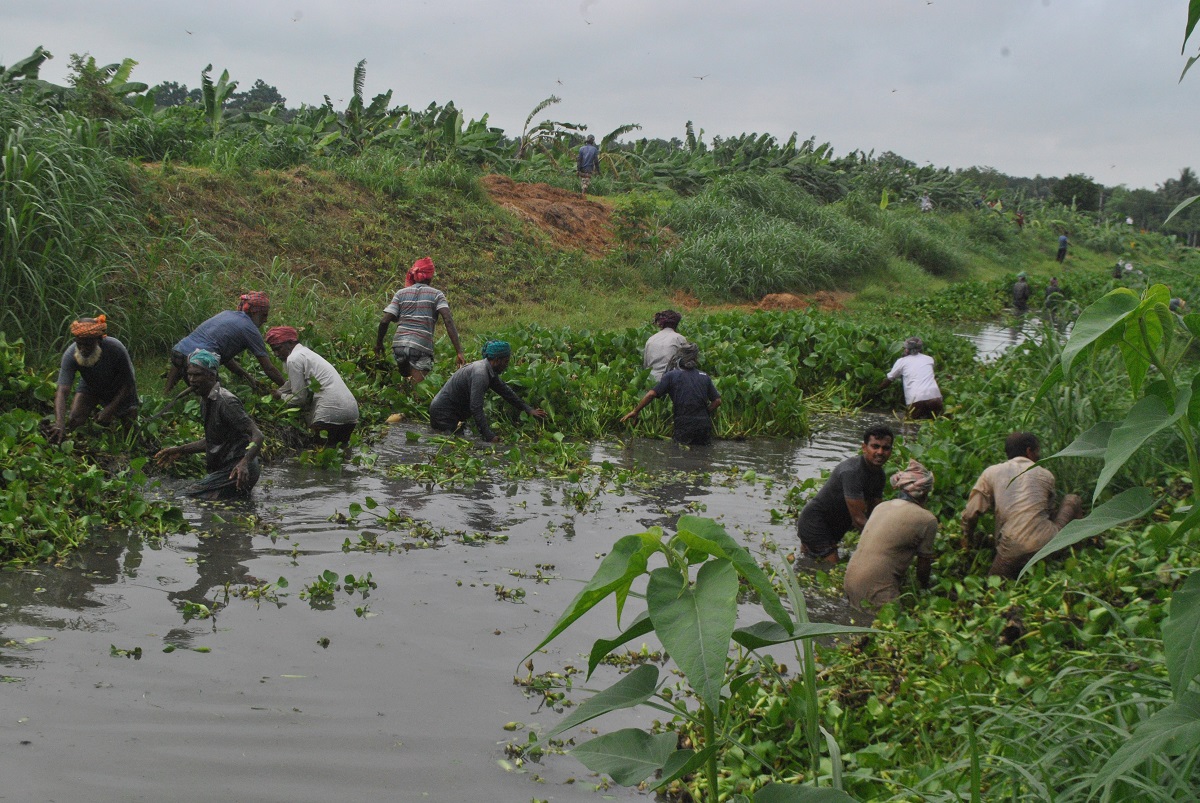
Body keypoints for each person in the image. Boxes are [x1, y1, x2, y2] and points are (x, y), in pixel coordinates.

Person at [961, 432, 1083, 580]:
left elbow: (970, 514)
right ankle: (1079, 555)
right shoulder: (1045, 474)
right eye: (1037, 451)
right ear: (1029, 451)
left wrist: (968, 542)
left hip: (1011, 549)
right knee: (1072, 499)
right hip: (1048, 545)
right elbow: (1048, 513)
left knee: (995, 583)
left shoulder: (991, 473)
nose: (1039, 456)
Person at [155, 349, 264, 500]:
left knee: (184, 496)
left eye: (197, 375)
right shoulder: (206, 400)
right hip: (230, 469)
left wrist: (244, 463)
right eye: (189, 374)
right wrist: (180, 450)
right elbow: (213, 441)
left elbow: (257, 435)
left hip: (238, 469)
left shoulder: (226, 402)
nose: (192, 380)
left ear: (211, 375)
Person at [843, 459, 938, 610]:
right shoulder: (927, 520)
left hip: (849, 581)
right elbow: (923, 568)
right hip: (875, 589)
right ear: (924, 493)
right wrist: (925, 591)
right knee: (892, 631)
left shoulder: (881, 507)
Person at [795, 426, 895, 564]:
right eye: (875, 446)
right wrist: (886, 543)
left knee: (809, 564)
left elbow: (875, 513)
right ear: (864, 448)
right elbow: (859, 520)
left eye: (886, 448)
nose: (880, 452)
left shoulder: (880, 476)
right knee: (832, 570)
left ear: (891, 451)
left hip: (835, 526)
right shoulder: (852, 472)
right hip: (815, 522)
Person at [165, 292, 285, 394]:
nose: (265, 320)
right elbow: (268, 368)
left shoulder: (227, 314)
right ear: (254, 313)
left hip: (178, 352)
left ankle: (165, 395)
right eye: (264, 315)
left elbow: (224, 356)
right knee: (216, 399)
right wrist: (288, 388)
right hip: (198, 362)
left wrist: (246, 377)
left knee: (184, 367)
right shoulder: (249, 329)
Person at [428, 341, 547, 442]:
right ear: (496, 360)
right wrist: (489, 436)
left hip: (451, 413)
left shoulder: (488, 371)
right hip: (443, 414)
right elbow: (476, 407)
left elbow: (506, 392)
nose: (506, 365)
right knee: (451, 444)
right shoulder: (481, 374)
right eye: (506, 361)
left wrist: (528, 409)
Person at [375, 257, 465, 384]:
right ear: (430, 276)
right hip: (420, 347)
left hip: (399, 345)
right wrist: (459, 352)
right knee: (416, 391)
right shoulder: (437, 295)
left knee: (403, 385)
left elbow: (384, 321)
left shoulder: (400, 293)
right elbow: (448, 320)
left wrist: (379, 344)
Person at [50, 315, 138, 443]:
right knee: (74, 420)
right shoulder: (70, 355)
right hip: (91, 386)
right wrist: (59, 422)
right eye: (79, 344)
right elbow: (62, 391)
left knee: (130, 431)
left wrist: (109, 409)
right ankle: (81, 443)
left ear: (99, 340)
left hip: (120, 387)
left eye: (88, 344)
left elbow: (129, 384)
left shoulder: (115, 349)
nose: (83, 349)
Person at [266, 327, 359, 446]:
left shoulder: (293, 359)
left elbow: (300, 398)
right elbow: (292, 383)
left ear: (290, 343)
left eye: (278, 349)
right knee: (342, 453)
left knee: (317, 454)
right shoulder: (307, 354)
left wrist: (281, 396)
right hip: (351, 410)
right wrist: (276, 391)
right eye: (274, 350)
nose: (276, 354)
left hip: (330, 411)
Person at [621, 343, 722, 445]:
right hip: (704, 424)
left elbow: (651, 394)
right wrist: (704, 413)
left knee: (681, 454)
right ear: (695, 359)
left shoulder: (672, 375)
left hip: (684, 424)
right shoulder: (705, 376)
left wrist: (636, 411)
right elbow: (717, 401)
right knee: (703, 455)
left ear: (679, 358)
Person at [878, 336, 943, 419]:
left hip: (916, 400)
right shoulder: (929, 359)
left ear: (907, 350)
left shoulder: (901, 361)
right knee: (933, 419)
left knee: (907, 420)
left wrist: (877, 390)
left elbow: (889, 379)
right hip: (935, 398)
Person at [643, 310, 689, 382]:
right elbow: (687, 363)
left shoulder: (651, 339)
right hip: (671, 380)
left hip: (651, 380)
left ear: (661, 324)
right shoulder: (679, 338)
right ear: (676, 324)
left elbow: (645, 365)